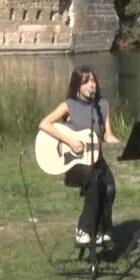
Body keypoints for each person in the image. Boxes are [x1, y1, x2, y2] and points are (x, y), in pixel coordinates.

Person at [38, 65, 120, 245]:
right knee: (92, 179)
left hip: (96, 158)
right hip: (74, 164)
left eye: (93, 80)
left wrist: (119, 144)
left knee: (109, 188)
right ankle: (83, 228)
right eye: (86, 82)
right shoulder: (68, 105)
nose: (92, 85)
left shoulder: (103, 105)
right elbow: (44, 124)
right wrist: (70, 141)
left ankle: (103, 230)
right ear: (77, 86)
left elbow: (106, 134)